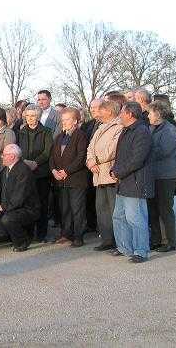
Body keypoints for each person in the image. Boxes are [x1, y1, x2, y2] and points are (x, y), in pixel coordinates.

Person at [110, 102, 153, 263]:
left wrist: (119, 172)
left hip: (135, 182)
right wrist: (113, 169)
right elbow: (120, 156)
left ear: (129, 114)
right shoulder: (126, 130)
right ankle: (124, 247)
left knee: (136, 218)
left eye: (122, 112)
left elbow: (137, 159)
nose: (119, 115)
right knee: (119, 216)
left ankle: (141, 251)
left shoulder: (141, 131)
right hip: (123, 182)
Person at [0, 144, 40, 252]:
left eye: (4, 155)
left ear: (12, 156)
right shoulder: (6, 170)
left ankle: (22, 241)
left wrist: (2, 207)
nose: (2, 156)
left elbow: (19, 196)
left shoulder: (23, 171)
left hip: (26, 209)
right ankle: (16, 233)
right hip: (11, 209)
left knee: (8, 219)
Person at [86, 99, 123, 251]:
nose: (97, 112)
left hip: (110, 174)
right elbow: (90, 147)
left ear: (109, 111)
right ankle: (107, 240)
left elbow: (112, 151)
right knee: (101, 209)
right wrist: (90, 161)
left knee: (114, 209)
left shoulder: (119, 127)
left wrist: (96, 160)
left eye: (101, 109)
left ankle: (118, 241)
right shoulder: (100, 127)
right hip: (98, 174)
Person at [49, 107, 88, 247]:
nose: (63, 122)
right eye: (62, 120)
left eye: (67, 120)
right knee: (65, 209)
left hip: (76, 179)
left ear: (75, 121)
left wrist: (66, 171)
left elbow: (81, 157)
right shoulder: (60, 137)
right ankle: (66, 234)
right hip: (61, 180)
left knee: (77, 209)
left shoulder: (80, 135)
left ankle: (78, 236)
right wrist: (54, 170)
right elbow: (52, 156)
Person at [147, 100, 176, 252]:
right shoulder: (151, 128)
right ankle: (156, 239)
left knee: (165, 209)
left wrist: (144, 152)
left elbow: (164, 151)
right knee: (152, 209)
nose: (148, 116)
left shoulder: (169, 129)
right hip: (153, 174)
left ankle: (170, 242)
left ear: (158, 113)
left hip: (166, 175)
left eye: (150, 113)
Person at [18, 104, 54, 242]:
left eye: (32, 116)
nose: (29, 118)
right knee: (27, 203)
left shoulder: (46, 132)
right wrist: (25, 162)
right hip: (25, 173)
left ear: (38, 117)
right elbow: (18, 150)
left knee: (42, 204)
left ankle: (41, 234)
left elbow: (47, 151)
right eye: (27, 116)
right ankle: (28, 234)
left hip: (41, 173)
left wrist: (35, 162)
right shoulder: (21, 132)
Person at [81, 98, 104, 233]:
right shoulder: (88, 125)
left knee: (100, 200)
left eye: (96, 107)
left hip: (100, 166)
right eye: (91, 108)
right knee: (89, 197)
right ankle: (91, 224)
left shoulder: (107, 124)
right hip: (87, 166)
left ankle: (101, 226)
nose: (93, 110)